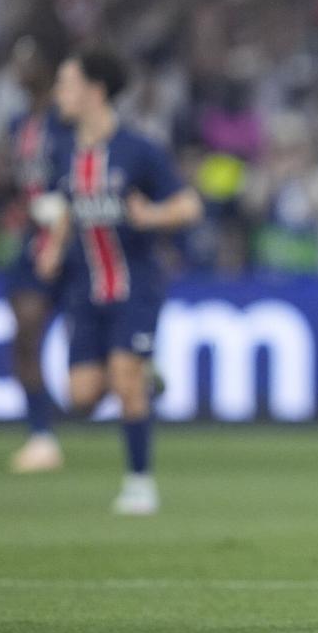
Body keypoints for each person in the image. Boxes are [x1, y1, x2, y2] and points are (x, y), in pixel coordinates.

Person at [35, 48, 203, 515]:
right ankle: (142, 378)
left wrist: (152, 215)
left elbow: (190, 206)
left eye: (66, 83)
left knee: (124, 379)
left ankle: (139, 484)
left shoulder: (138, 149)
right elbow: (67, 204)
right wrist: (52, 246)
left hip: (136, 285)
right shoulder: (64, 149)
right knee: (82, 396)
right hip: (84, 290)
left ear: (95, 90)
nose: (58, 93)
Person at [0, 40, 74, 473]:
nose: (18, 70)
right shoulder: (17, 124)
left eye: (27, 61)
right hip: (32, 240)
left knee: (95, 357)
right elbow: (8, 182)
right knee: (26, 332)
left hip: (77, 240)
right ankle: (41, 436)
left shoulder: (67, 121)